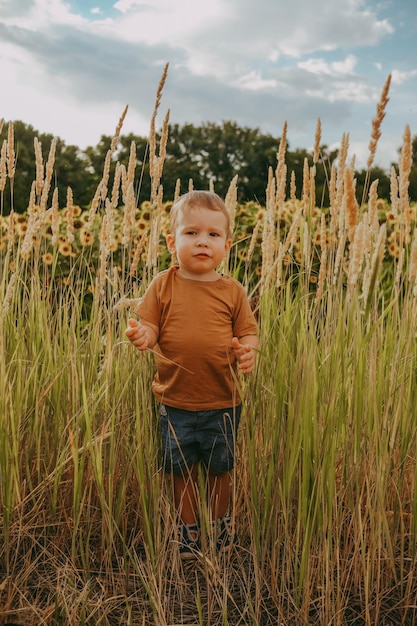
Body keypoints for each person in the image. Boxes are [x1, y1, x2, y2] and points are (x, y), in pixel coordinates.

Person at [125, 190, 258, 559]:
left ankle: (219, 527)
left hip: (223, 401)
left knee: (220, 469)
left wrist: (249, 352)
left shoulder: (232, 291)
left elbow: (248, 331)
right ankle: (187, 531)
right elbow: (151, 327)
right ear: (172, 241)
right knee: (179, 471)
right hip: (175, 401)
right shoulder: (162, 285)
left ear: (227, 245)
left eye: (213, 235)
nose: (203, 241)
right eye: (192, 233)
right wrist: (142, 336)